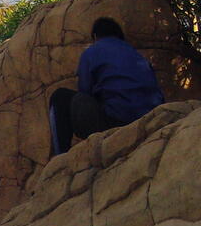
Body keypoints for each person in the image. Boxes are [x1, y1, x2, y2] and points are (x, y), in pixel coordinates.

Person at [49, 17, 165, 156]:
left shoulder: (92, 52)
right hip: (149, 122)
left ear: (95, 36)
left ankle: (59, 156)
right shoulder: (137, 55)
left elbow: (84, 91)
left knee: (60, 97)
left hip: (115, 123)